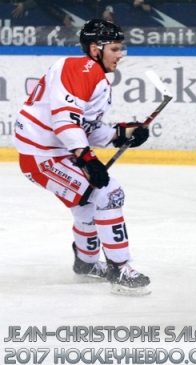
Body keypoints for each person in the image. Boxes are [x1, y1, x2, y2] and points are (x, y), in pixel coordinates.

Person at [12, 19, 152, 296]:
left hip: (52, 152)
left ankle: (86, 264)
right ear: (94, 48)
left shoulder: (92, 76)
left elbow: (82, 126)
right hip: (44, 155)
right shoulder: (81, 67)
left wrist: (118, 135)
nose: (120, 54)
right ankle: (119, 267)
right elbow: (64, 120)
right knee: (109, 193)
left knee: (87, 205)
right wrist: (86, 158)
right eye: (114, 48)